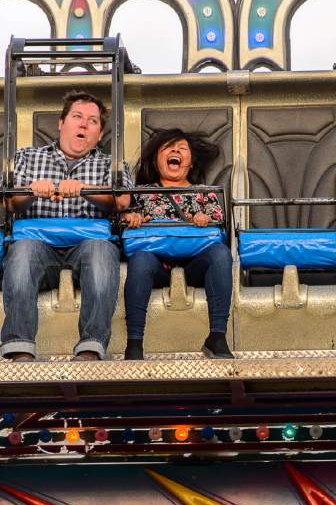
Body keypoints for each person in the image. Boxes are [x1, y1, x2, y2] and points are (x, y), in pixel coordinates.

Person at [1, 90, 133, 361]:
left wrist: (85, 190)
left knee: (101, 251)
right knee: (22, 252)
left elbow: (122, 202)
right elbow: (10, 203)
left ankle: (91, 346)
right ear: (61, 124)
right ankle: (19, 347)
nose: (84, 124)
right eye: (77, 117)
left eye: (92, 121)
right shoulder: (27, 157)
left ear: (99, 133)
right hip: (39, 242)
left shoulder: (113, 164)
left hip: (88, 241)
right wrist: (32, 191)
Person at [123, 128, 233, 360]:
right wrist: (132, 219)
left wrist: (206, 220)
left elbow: (218, 224)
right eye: (168, 148)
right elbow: (125, 219)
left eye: (182, 149)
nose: (175, 151)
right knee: (140, 259)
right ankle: (134, 343)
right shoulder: (140, 193)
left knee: (221, 254)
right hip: (157, 263)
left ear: (190, 164)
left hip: (196, 262)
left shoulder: (205, 193)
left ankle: (217, 337)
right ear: (156, 160)